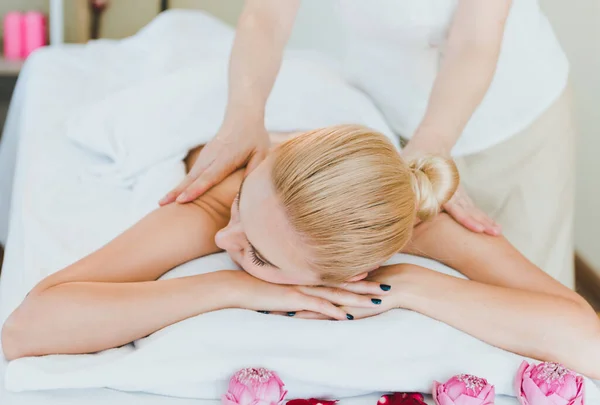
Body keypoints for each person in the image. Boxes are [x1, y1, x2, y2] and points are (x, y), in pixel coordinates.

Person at [2, 126, 599, 380]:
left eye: (258, 254)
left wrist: (417, 285)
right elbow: (26, 327)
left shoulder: (425, 221)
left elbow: (588, 342)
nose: (220, 242)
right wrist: (234, 284)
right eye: (242, 221)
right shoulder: (219, 201)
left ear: (353, 273)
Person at [161, 0, 575, 287]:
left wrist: (432, 140)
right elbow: (266, 15)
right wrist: (243, 115)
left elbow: (475, 41)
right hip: (387, 108)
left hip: (514, 117)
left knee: (528, 280)